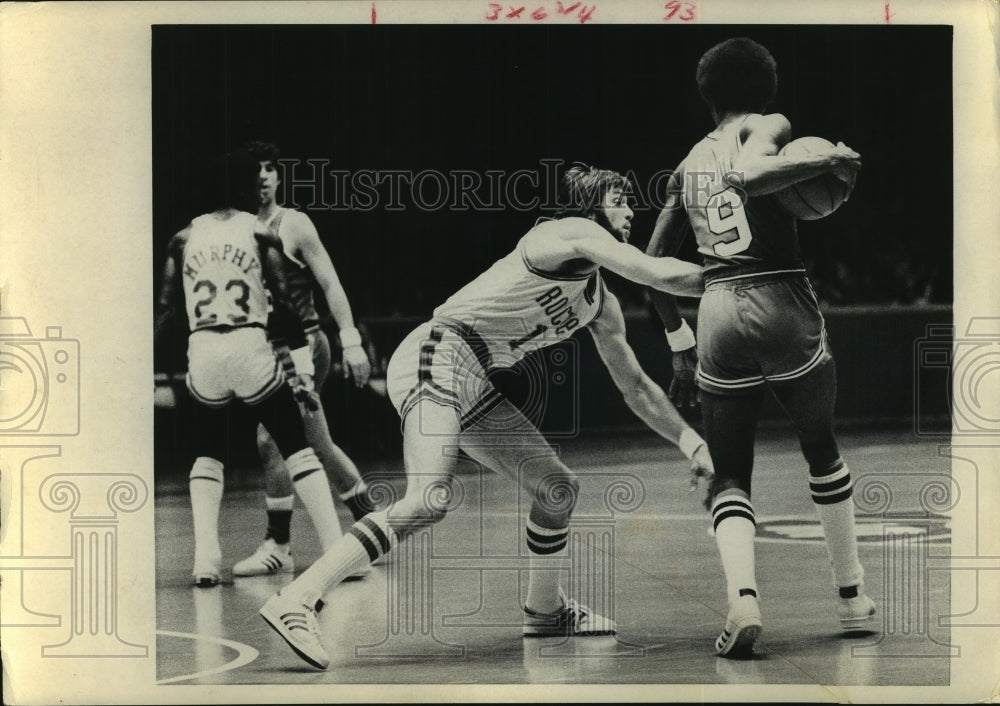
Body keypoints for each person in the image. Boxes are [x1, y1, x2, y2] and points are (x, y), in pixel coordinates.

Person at [258, 163, 715, 670]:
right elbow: (651, 271)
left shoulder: (598, 302)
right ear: (589, 203)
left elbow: (634, 386)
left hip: (474, 375)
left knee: (556, 488)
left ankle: (545, 610)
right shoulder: (564, 232)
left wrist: (692, 443)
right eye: (619, 199)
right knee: (428, 497)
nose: (630, 211)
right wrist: (739, 274)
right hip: (440, 351)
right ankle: (297, 599)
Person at [645, 37, 876, 658]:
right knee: (820, 445)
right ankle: (851, 597)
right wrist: (829, 159)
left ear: (706, 94)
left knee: (730, 472)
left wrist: (678, 343)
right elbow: (751, 174)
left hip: (716, 306)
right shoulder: (770, 123)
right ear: (767, 87)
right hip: (780, 294)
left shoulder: (687, 164)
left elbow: (650, 265)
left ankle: (743, 599)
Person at [154, 149, 325, 587]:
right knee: (296, 446)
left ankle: (205, 560)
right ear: (249, 186)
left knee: (207, 452)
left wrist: (152, 370)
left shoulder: (181, 237)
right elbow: (285, 302)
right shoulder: (260, 231)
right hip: (250, 344)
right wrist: (302, 369)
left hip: (204, 350)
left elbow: (166, 311)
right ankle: (337, 549)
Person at [231, 141, 375, 578]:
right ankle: (372, 527)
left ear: (278, 176)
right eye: (254, 171)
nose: (262, 177)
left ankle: (279, 544)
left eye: (269, 169)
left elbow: (330, 284)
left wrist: (351, 342)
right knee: (318, 445)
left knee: (271, 440)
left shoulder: (293, 224)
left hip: (305, 345)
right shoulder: (233, 228)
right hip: (266, 349)